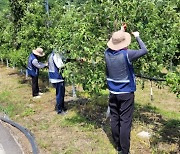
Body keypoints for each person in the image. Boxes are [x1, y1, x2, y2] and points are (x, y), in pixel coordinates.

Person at [105, 24, 148, 154]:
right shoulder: (127, 54)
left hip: (113, 92)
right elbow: (144, 50)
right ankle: (124, 151)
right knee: (125, 121)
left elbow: (115, 43)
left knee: (115, 118)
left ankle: (118, 145)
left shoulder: (106, 53)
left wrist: (121, 31)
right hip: (126, 93)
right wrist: (138, 37)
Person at [48, 50, 67, 115]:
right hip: (58, 78)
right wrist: (68, 65)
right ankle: (60, 110)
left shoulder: (51, 55)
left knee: (60, 93)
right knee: (60, 94)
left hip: (53, 77)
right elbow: (60, 65)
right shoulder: (56, 55)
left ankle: (62, 107)